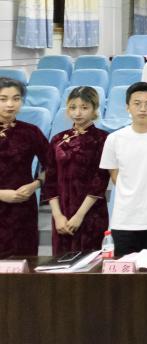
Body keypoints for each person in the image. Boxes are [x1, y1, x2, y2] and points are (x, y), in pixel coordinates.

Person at [99, 82, 147, 256]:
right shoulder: (114, 139)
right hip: (125, 218)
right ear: (127, 106)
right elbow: (115, 175)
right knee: (125, 269)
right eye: (137, 103)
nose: (143, 109)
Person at [40, 86, 109, 255]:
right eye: (72, 107)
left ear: (94, 109)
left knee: (90, 263)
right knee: (60, 262)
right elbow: (50, 180)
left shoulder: (103, 139)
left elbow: (100, 181)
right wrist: (57, 216)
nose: (77, 113)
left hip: (91, 213)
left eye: (84, 107)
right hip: (62, 214)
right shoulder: (57, 139)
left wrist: (79, 215)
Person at [0, 78, 49, 258]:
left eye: (16, 98)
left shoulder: (31, 132)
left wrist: (36, 184)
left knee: (23, 262)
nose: (10, 104)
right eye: (3, 99)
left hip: (23, 209)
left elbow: (52, 165)